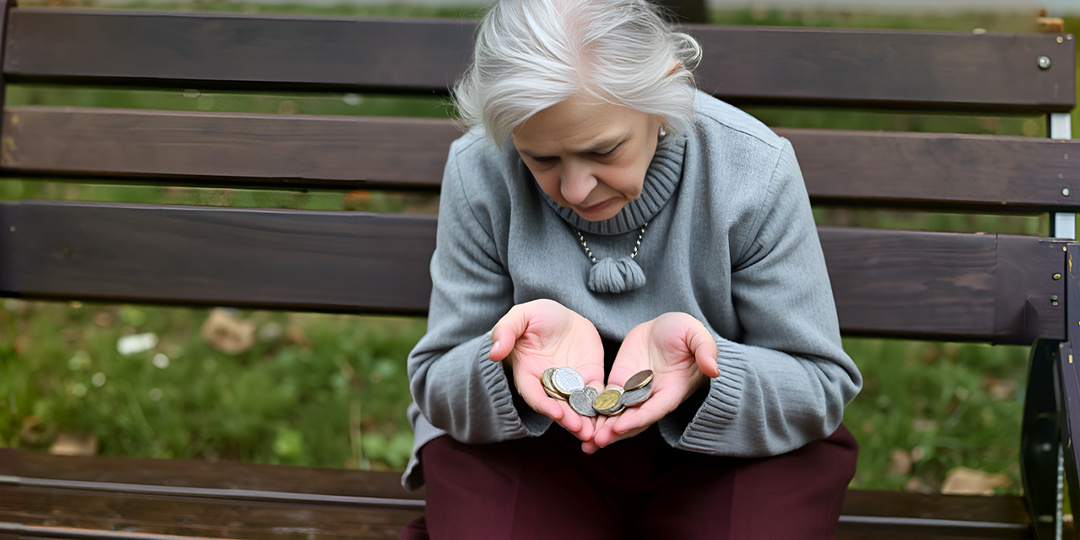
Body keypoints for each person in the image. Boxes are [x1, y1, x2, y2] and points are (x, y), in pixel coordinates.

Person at [399, 0, 862, 538]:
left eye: (604, 149)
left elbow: (818, 385)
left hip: (732, 446)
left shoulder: (753, 169)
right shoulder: (479, 166)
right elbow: (437, 381)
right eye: (541, 160)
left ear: (664, 96)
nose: (575, 190)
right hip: (534, 445)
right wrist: (505, 363)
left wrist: (704, 376)